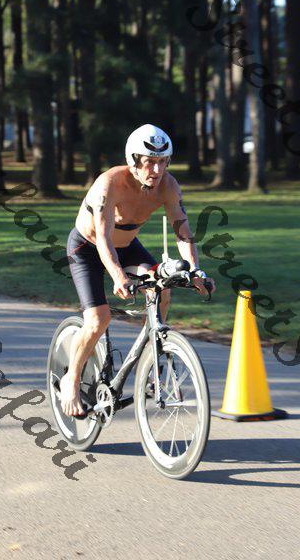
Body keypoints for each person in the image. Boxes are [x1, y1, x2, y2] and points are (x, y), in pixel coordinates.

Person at [61, 124, 216, 416]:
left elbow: (183, 232)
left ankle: (152, 360)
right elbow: (103, 238)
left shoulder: (168, 186)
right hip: (88, 248)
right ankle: (72, 378)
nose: (156, 170)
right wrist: (118, 276)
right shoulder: (109, 184)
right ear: (133, 161)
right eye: (149, 162)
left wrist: (196, 271)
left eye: (163, 162)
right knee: (98, 319)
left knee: (163, 289)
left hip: (128, 246)